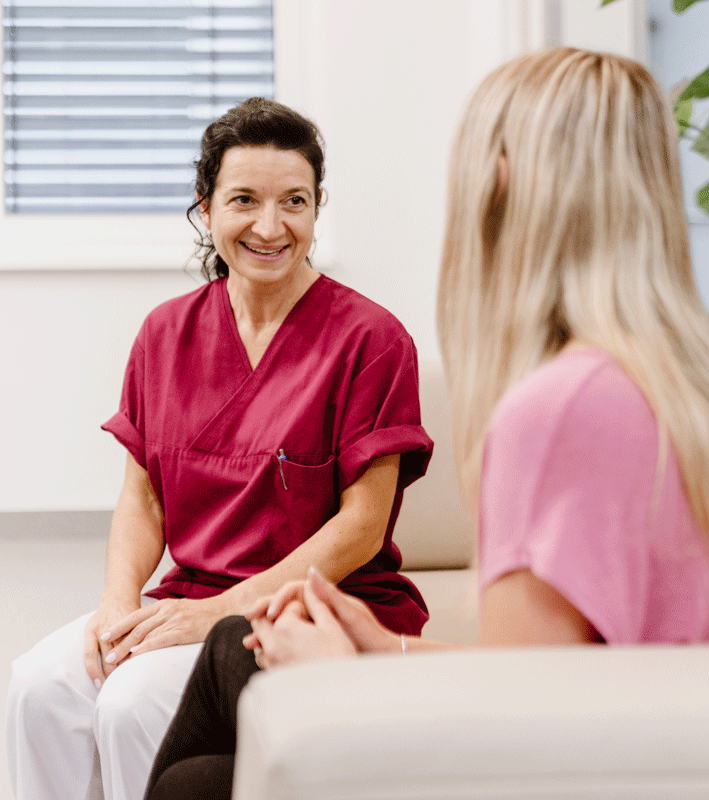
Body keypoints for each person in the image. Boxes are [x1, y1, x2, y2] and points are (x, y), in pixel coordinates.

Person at [142, 47, 709, 799]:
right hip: (675, 760)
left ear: (502, 182)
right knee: (222, 706)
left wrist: (337, 680)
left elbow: (508, 748)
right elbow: (575, 679)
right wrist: (382, 648)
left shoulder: (564, 410)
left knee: (207, 740)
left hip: (584, 774)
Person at [5, 97, 432, 800]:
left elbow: (362, 526)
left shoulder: (371, 340)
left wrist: (221, 613)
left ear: (317, 207)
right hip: (188, 595)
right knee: (38, 687)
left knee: (130, 701)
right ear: (205, 209)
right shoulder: (164, 333)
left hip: (314, 607)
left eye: (294, 201)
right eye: (244, 200)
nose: (270, 226)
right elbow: (143, 497)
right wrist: (117, 603)